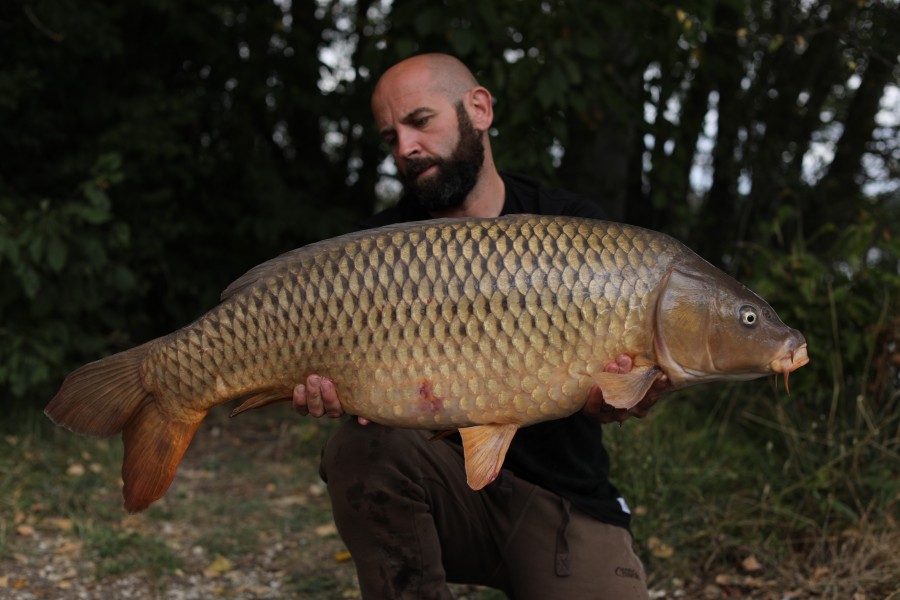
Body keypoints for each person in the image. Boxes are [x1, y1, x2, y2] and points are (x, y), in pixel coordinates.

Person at [294, 53, 664, 599]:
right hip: (444, 494)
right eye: (389, 136)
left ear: (480, 109)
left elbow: (636, 388)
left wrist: (630, 394)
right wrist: (329, 390)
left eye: (420, 122)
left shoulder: (575, 230)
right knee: (358, 450)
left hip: (560, 499)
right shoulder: (373, 252)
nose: (405, 148)